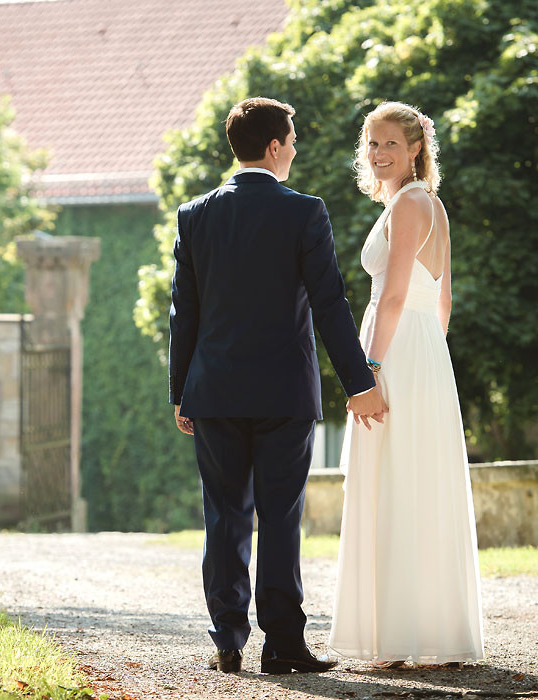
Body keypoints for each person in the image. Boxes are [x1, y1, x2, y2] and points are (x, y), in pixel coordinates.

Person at [168, 96, 388, 675]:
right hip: (284, 395)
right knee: (280, 518)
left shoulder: (195, 215)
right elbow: (330, 305)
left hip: (213, 393)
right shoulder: (304, 212)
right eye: (291, 141)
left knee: (225, 516)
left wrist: (180, 391)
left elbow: (182, 314)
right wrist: (359, 381)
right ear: (273, 147)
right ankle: (284, 644)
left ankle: (227, 639)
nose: (293, 151)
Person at [328, 101, 485, 667]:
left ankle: (405, 635)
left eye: (390, 143)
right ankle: (418, 631)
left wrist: (370, 369)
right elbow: (441, 302)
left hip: (394, 351)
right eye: (371, 143)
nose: (377, 153)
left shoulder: (413, 204)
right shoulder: (422, 204)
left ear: (416, 148)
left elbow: (394, 296)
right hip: (418, 351)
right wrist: (427, 358)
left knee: (399, 481)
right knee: (411, 480)